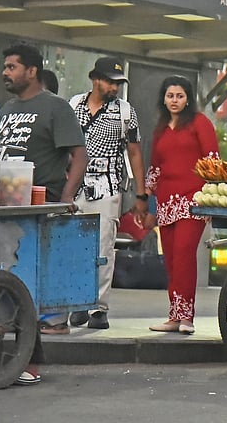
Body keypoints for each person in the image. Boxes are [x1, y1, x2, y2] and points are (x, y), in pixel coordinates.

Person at [0, 43, 87, 385]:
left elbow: (78, 155)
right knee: (0, 280)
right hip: (3, 203)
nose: (5, 72)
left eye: (12, 67)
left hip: (39, 204)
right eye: (5, 67)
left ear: (32, 71)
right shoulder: (7, 108)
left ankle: (30, 361)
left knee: (25, 283)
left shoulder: (56, 108)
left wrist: (68, 196)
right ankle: (6, 357)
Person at [67, 57, 149, 330]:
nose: (114, 87)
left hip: (108, 186)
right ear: (95, 79)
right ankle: (77, 303)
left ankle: (98, 307)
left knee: (103, 248)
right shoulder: (73, 105)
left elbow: (135, 153)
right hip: (74, 186)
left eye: (118, 83)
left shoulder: (126, 112)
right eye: (110, 82)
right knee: (75, 246)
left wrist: (141, 193)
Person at [137, 76, 218, 335]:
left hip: (193, 201)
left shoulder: (200, 123)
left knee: (184, 255)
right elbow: (155, 169)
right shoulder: (160, 128)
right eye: (170, 95)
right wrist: (146, 204)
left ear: (188, 99)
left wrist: (210, 198)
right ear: (163, 98)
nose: (174, 100)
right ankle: (174, 315)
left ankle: (187, 318)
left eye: (179, 96)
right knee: (171, 259)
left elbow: (213, 161)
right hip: (165, 203)